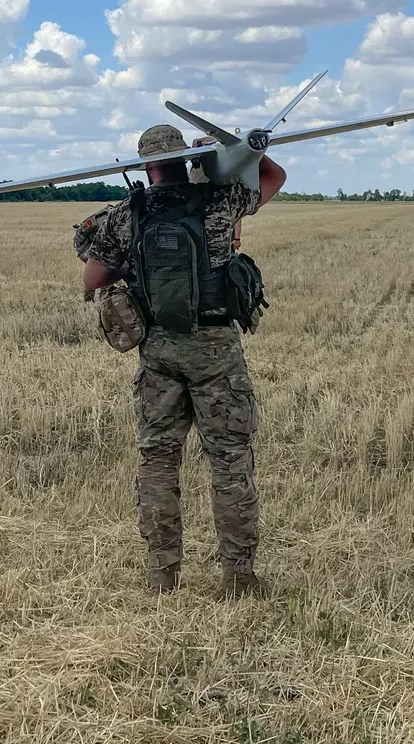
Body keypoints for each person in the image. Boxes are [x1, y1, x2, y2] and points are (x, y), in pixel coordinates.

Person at [80, 124, 286, 596]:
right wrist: (219, 157)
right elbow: (273, 175)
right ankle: (238, 578)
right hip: (216, 350)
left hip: (158, 352)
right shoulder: (219, 201)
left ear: (145, 167)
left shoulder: (125, 215)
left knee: (157, 461)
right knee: (230, 462)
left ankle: (162, 577)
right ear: (182, 160)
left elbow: (93, 279)